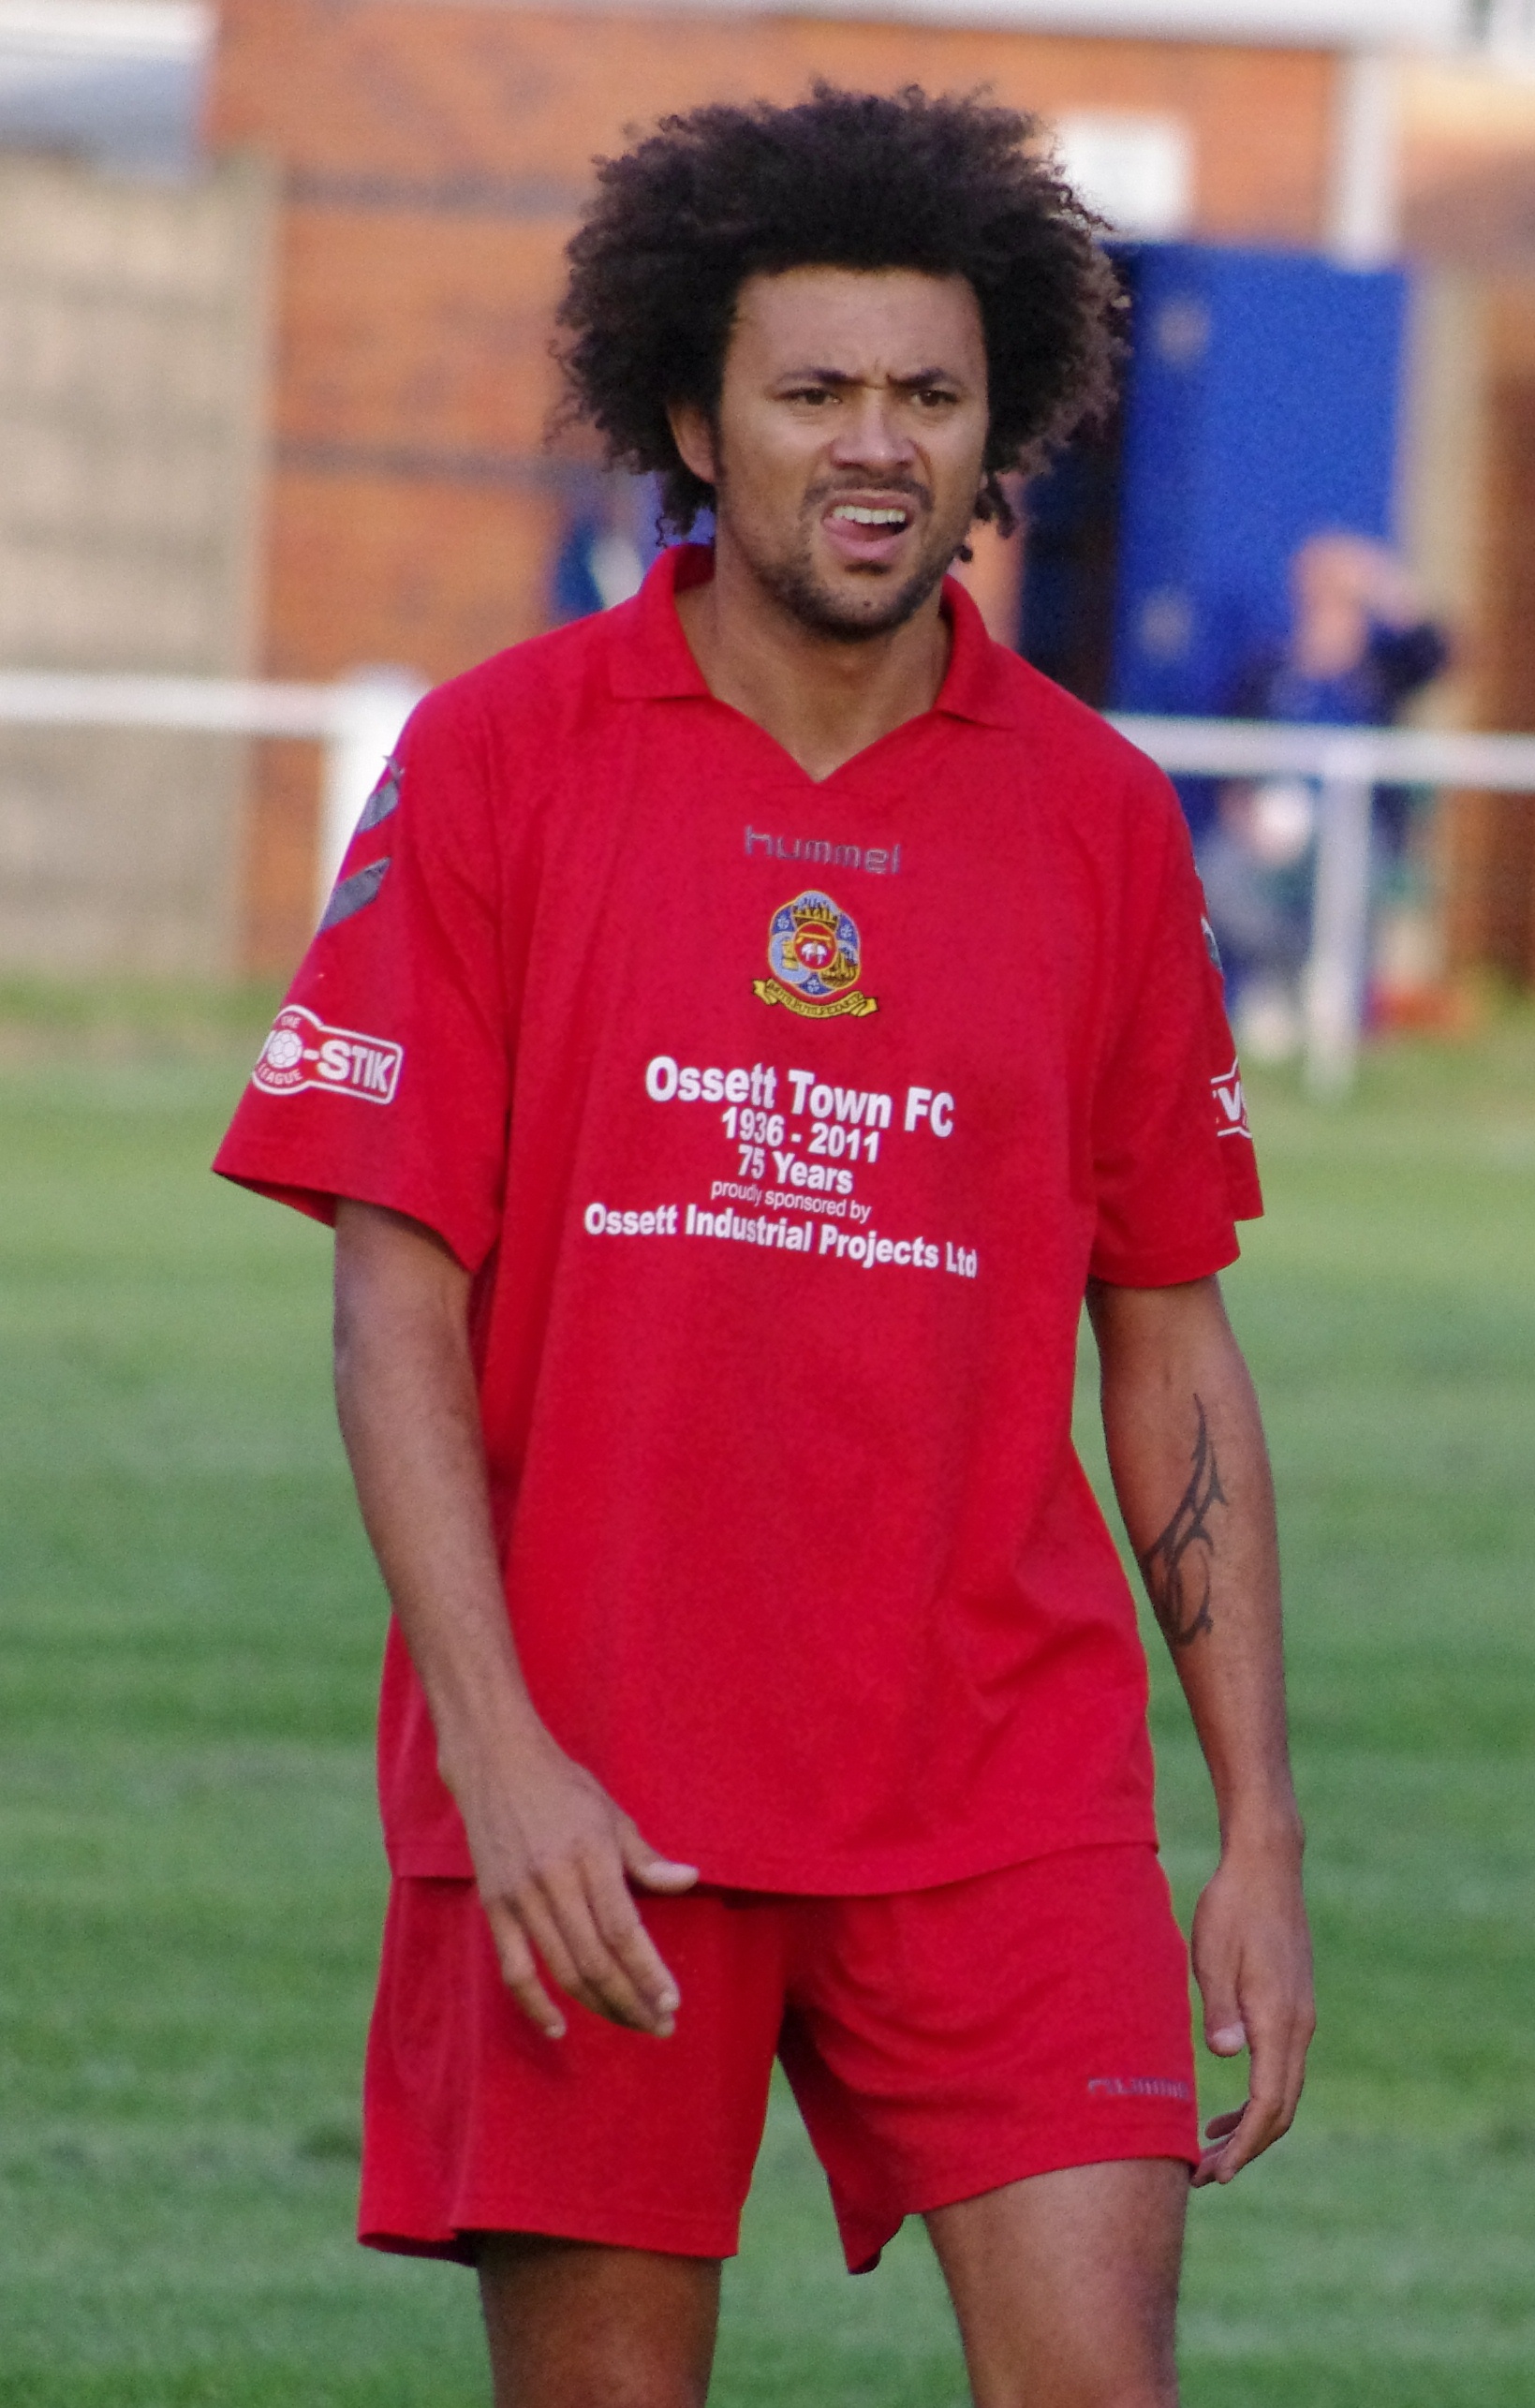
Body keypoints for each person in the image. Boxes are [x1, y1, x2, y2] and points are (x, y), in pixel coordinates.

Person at [214, 87, 1314, 2408]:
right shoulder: (506, 759)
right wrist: (502, 1752)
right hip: (600, 1792)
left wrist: (1258, 1823)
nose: (875, 444)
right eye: (813, 390)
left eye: (927, 392)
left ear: (1004, 415)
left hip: (1006, 1800)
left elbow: (1174, 1346)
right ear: (694, 414)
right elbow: (386, 1286)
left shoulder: (1103, 823)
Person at [1202, 532, 1449, 1054]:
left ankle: (1328, 1000)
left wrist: (1383, 584)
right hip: (1270, 833)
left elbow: (1441, 652)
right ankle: (1288, 979)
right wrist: (1248, 818)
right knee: (1217, 876)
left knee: (1352, 870)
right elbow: (1231, 761)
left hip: (1357, 831)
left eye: (1339, 590)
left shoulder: (1383, 670)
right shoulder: (1270, 671)